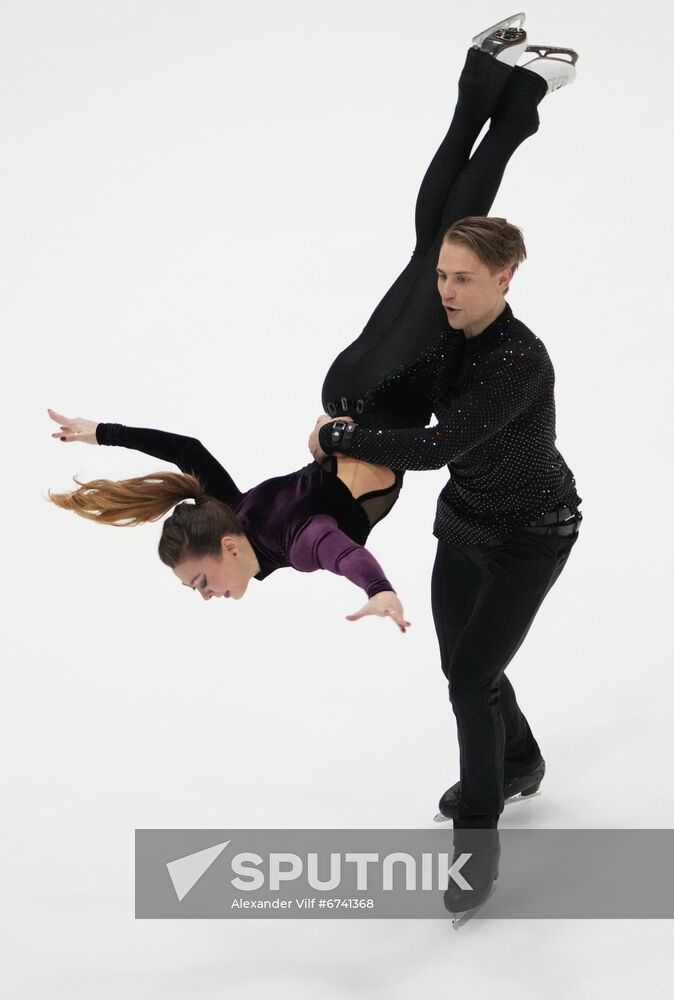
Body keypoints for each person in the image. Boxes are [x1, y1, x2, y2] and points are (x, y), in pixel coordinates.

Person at [47, 15, 576, 653]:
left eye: (200, 581)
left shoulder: (295, 543)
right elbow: (188, 449)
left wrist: (377, 588)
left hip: (387, 389)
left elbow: (338, 550)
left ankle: (509, 91)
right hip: (350, 382)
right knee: (428, 247)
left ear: (228, 548)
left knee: (443, 241)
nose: (206, 595)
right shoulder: (236, 509)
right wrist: (101, 432)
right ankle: (502, 87)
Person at [308, 25, 583, 837]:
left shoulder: (516, 361)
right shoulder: (449, 337)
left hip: (533, 532)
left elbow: (434, 448)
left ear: (505, 278)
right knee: (466, 666)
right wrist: (348, 422)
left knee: (469, 680)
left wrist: (341, 439)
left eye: (464, 279)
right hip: (466, 524)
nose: (448, 291)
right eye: (444, 280)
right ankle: (520, 757)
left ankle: (479, 825)